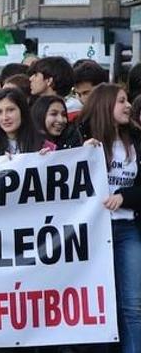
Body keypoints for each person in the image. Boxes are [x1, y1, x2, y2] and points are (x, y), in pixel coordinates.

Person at [77, 83, 141, 353]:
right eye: (122, 101)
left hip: (127, 229)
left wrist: (125, 197)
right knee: (94, 302)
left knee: (132, 303)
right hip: (90, 232)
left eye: (126, 101)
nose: (128, 107)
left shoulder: (137, 140)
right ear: (105, 106)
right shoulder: (80, 137)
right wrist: (81, 153)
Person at [0, 88, 51, 160]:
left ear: (22, 111)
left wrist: (48, 159)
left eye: (10, 110)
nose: (5, 117)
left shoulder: (44, 145)